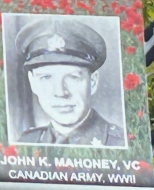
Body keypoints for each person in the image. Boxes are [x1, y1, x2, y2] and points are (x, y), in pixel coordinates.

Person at [15, 17, 125, 147]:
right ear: (33, 83)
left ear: (93, 81)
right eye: (46, 77)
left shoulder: (123, 144)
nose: (60, 92)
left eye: (73, 77)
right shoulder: (25, 144)